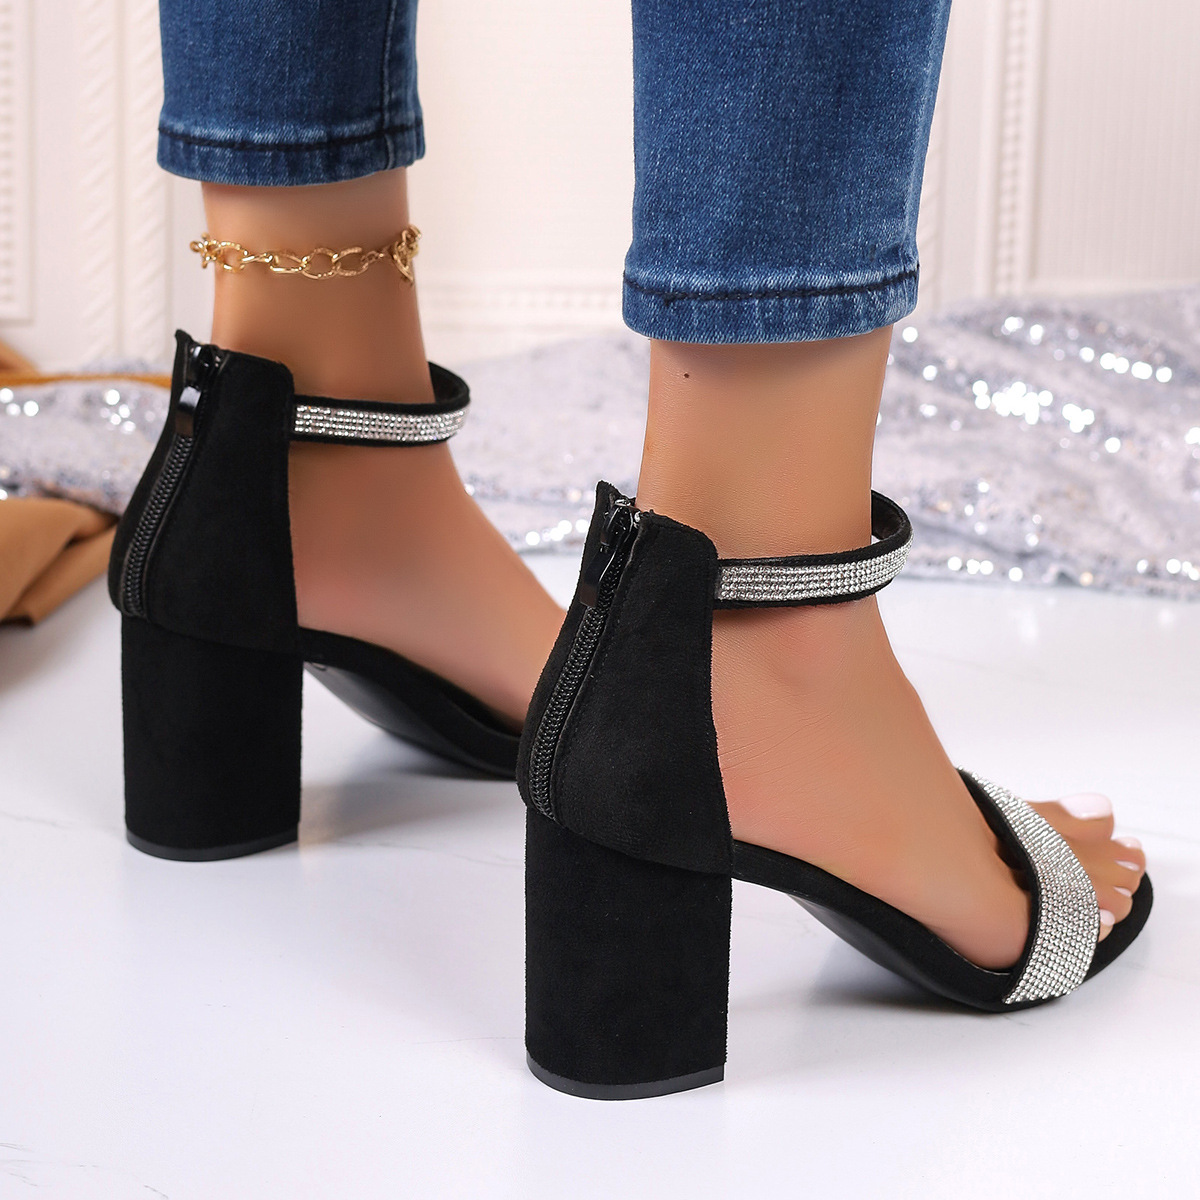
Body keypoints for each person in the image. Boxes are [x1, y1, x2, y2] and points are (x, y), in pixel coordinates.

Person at [115, 0, 1149, 1096]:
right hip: (700, 698)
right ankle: (759, 659)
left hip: (223, 497)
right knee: (652, 689)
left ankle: (305, 473)